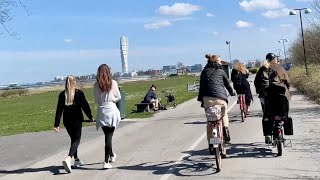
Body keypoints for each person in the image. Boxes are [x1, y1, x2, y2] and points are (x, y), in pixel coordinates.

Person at [54, 75, 94, 173]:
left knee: (73, 139)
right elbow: (85, 106)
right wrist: (90, 116)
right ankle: (69, 158)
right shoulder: (79, 93)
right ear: (74, 82)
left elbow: (59, 110)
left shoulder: (62, 94)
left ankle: (76, 160)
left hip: (67, 121)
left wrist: (56, 124)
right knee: (77, 140)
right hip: (77, 120)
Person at [198, 54, 236, 154]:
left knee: (210, 121)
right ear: (216, 62)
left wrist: (201, 100)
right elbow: (227, 84)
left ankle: (212, 143)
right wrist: (232, 92)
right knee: (224, 114)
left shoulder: (204, 72)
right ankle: (225, 129)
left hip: (208, 100)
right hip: (221, 98)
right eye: (220, 61)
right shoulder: (221, 71)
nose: (221, 63)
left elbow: (201, 87)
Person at [254, 53, 291, 143]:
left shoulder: (262, 69)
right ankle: (284, 124)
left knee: (267, 114)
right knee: (284, 112)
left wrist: (260, 93)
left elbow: (256, 82)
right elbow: (288, 81)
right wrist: (287, 90)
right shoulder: (280, 68)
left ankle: (267, 135)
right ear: (275, 60)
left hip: (266, 96)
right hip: (280, 95)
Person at [94, 64, 122, 169]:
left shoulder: (96, 85)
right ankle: (106, 161)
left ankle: (111, 154)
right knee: (108, 137)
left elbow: (96, 100)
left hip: (102, 111)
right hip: (111, 109)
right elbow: (118, 96)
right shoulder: (113, 83)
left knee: (107, 135)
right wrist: (112, 100)